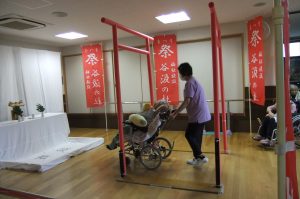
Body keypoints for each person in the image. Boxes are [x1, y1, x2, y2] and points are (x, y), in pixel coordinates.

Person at [170, 62, 211, 166]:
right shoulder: (193, 81)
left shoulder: (190, 83)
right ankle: (198, 158)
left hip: (198, 115)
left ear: (185, 73)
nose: (179, 75)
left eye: (180, 73)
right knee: (196, 137)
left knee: (189, 135)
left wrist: (176, 112)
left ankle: (200, 156)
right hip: (201, 114)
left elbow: (187, 101)